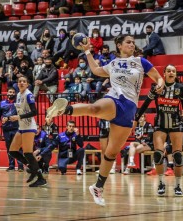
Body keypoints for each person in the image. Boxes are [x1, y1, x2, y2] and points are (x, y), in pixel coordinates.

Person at [46, 35, 164, 206]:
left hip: (129, 109)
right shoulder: (113, 63)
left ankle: (98, 187)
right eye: (128, 42)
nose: (132, 44)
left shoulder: (141, 62)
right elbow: (95, 70)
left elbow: (157, 77)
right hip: (115, 99)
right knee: (95, 108)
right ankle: (63, 109)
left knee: (111, 153)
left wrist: (160, 83)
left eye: (133, 42)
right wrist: (87, 51)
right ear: (119, 45)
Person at [136, 64, 183, 196]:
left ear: (176, 74)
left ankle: (177, 186)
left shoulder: (181, 88)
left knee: (177, 156)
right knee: (158, 154)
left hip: (176, 123)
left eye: (174, 71)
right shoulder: (157, 87)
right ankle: (160, 183)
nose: (171, 73)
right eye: (169, 71)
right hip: (160, 124)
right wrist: (136, 119)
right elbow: (146, 103)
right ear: (163, 73)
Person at [8, 76, 47, 187]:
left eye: (24, 81)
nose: (21, 83)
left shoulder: (28, 95)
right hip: (22, 127)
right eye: (19, 81)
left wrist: (19, 117)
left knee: (28, 153)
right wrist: (10, 117)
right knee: (12, 151)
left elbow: (34, 112)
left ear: (27, 84)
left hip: (29, 126)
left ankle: (40, 178)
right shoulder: (19, 95)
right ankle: (31, 168)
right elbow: (20, 110)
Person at [0, 87, 24, 172]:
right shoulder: (2, 103)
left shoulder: (18, 103)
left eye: (13, 92)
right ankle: (11, 165)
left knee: (18, 147)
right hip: (6, 129)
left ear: (15, 94)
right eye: (10, 92)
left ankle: (20, 166)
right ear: (7, 93)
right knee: (9, 147)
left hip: (16, 128)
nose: (11, 93)